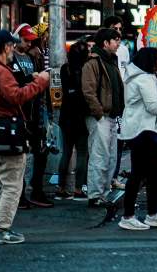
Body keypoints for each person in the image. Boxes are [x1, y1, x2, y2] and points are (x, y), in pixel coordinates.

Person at [0, 30, 50, 245]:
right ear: (6, 47)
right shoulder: (1, 71)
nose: (13, 49)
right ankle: (1, 230)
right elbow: (16, 96)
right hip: (8, 133)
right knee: (12, 185)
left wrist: (29, 78)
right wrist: (41, 82)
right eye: (11, 45)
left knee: (4, 184)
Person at [119, 47, 157, 231]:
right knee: (140, 174)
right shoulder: (144, 79)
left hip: (146, 131)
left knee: (152, 173)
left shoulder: (142, 77)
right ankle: (129, 215)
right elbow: (153, 106)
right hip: (143, 132)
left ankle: (152, 213)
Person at [81, 28, 126, 208]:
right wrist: (99, 113)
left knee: (110, 157)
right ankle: (95, 194)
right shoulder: (93, 63)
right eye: (115, 40)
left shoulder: (111, 61)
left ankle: (103, 193)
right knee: (100, 156)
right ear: (105, 43)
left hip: (111, 116)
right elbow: (88, 91)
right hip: (100, 116)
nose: (118, 44)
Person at [12, 24, 53, 208]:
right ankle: (20, 194)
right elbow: (13, 83)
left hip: (34, 110)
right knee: (20, 157)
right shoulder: (11, 58)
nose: (28, 43)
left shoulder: (30, 56)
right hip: (20, 112)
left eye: (30, 40)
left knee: (40, 152)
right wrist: (32, 79)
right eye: (25, 40)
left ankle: (36, 190)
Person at [56, 40, 90, 200]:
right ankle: (78, 188)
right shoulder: (86, 69)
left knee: (66, 152)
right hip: (81, 115)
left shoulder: (65, 69)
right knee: (82, 152)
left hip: (66, 114)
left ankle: (61, 187)